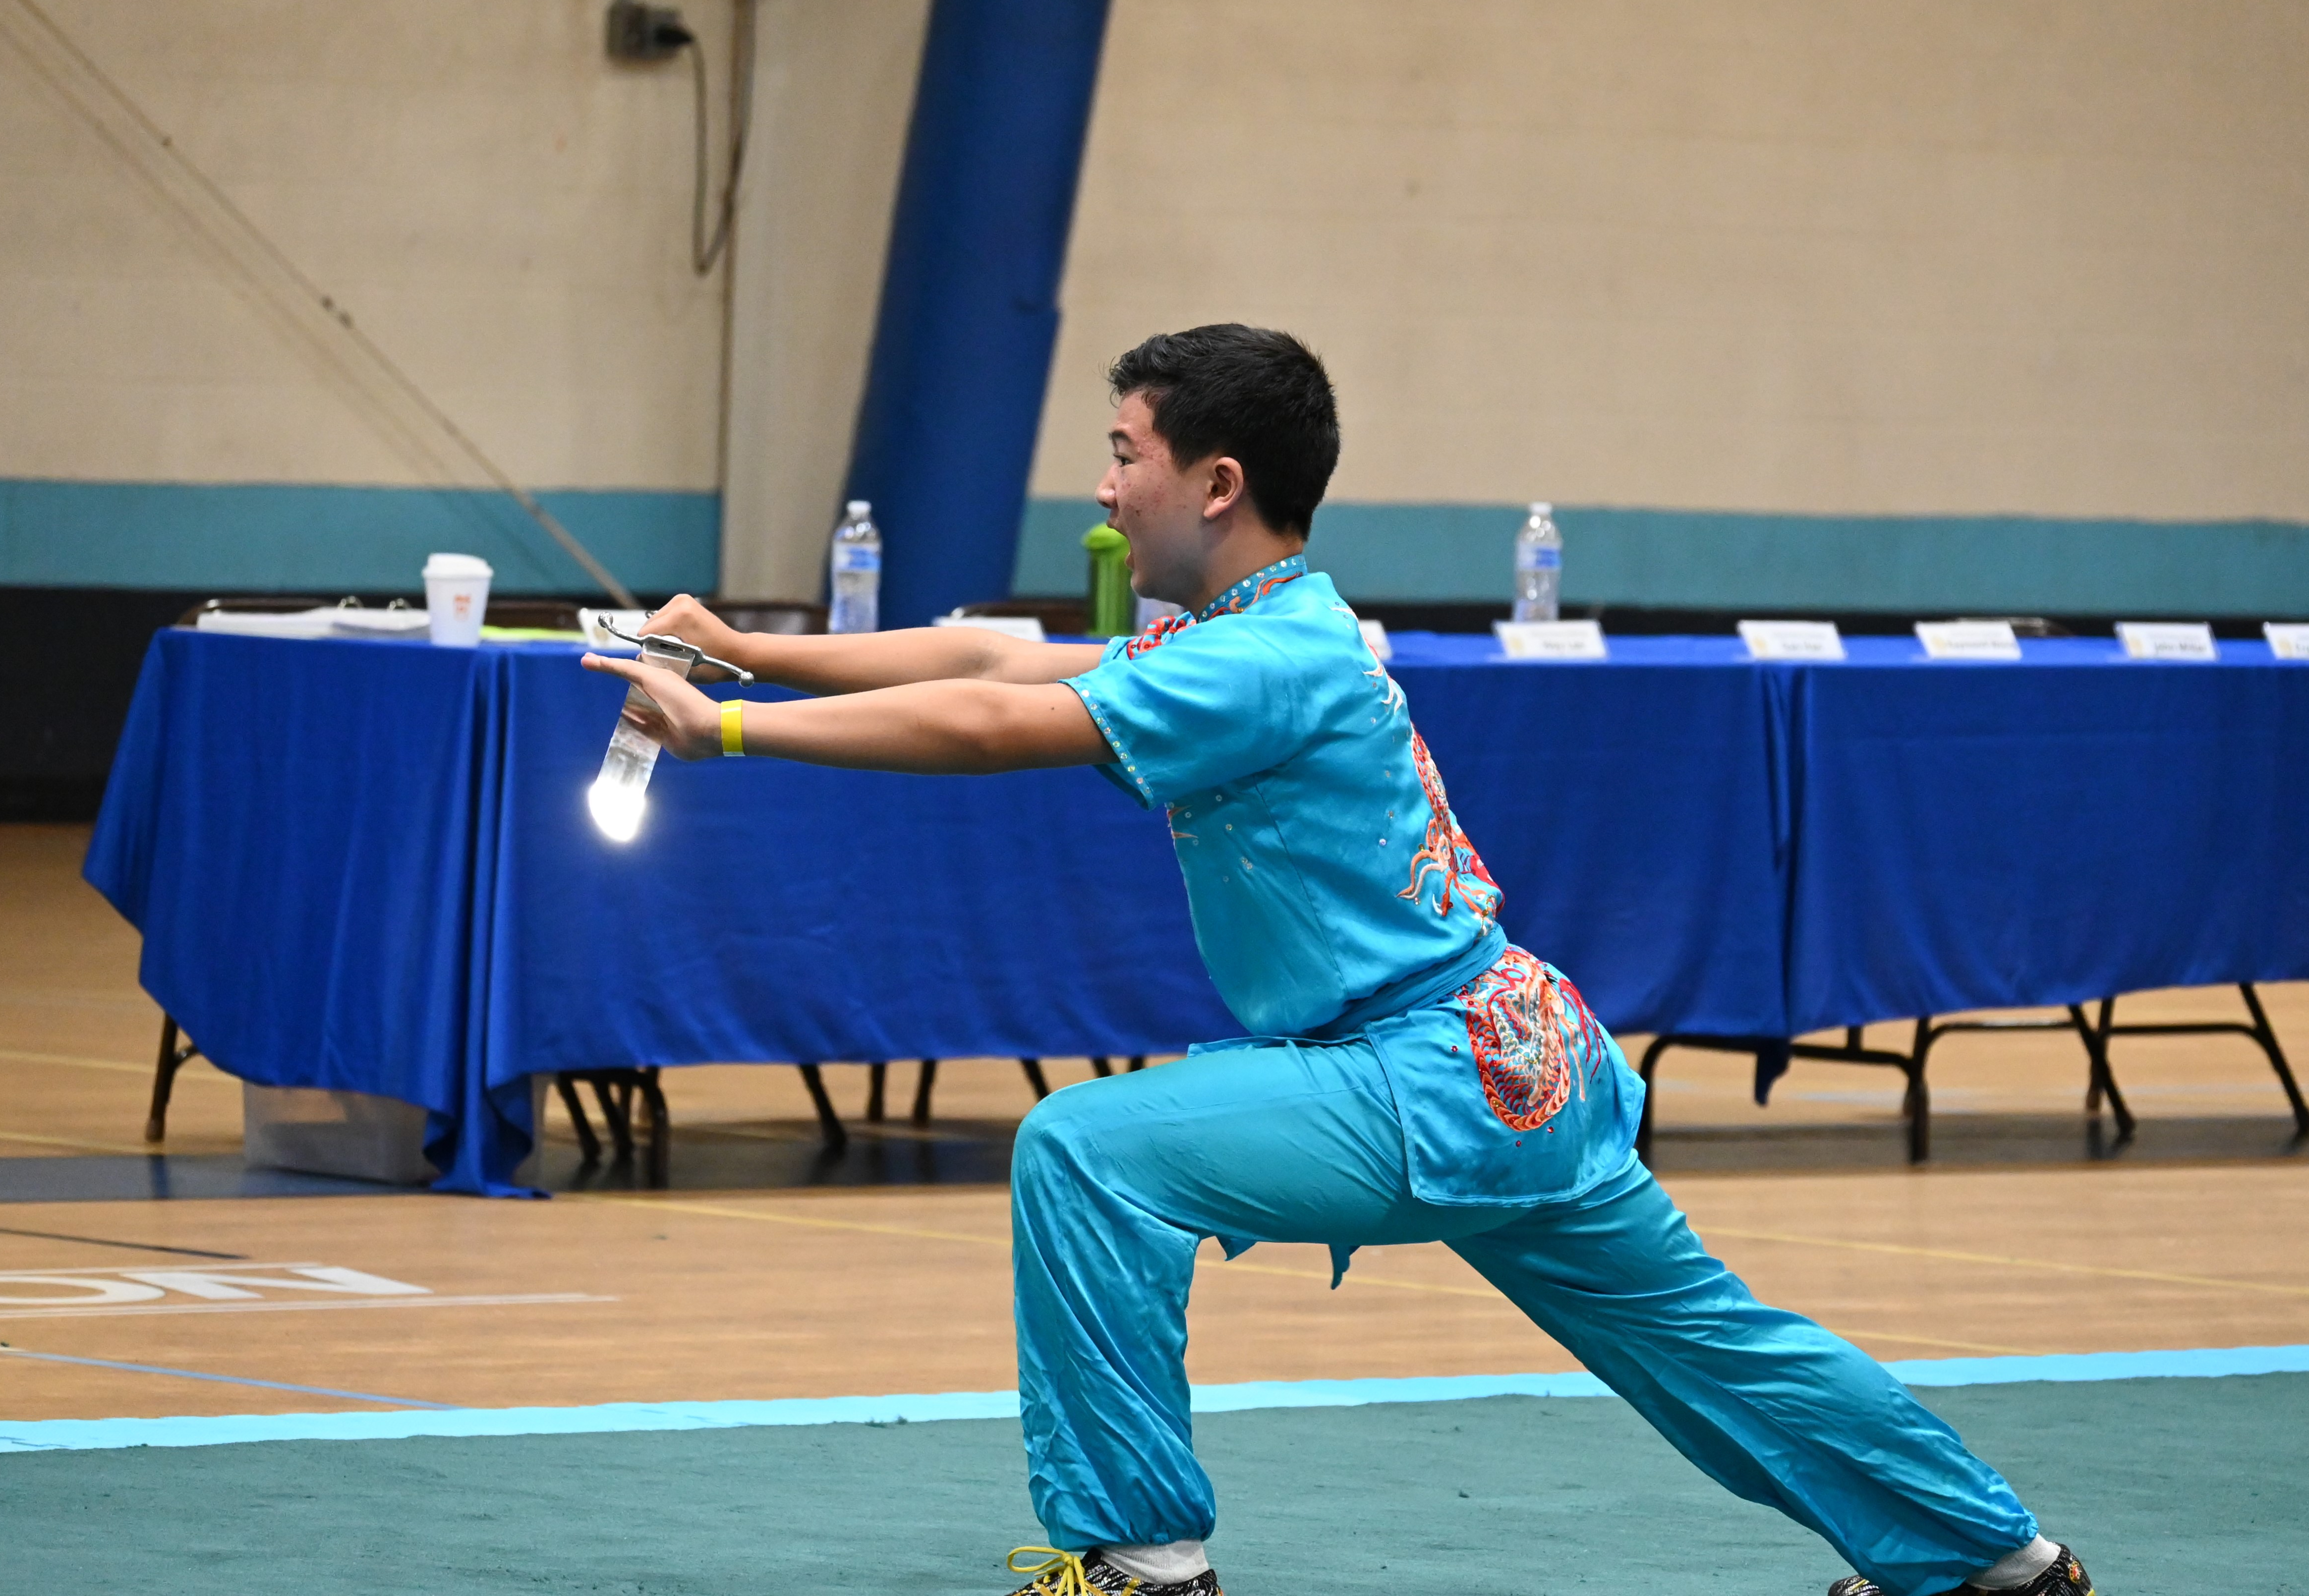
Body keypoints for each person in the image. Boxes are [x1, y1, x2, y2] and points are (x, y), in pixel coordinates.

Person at [583, 325, 2096, 1596]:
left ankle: (1140, 1564)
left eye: (1124, 453)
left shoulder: (1259, 660)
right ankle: (2000, 1563)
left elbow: (993, 724)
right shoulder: (1259, 629)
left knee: (1087, 1153)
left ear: (1217, 483)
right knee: (1711, 1348)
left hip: (1424, 1072)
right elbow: (988, 656)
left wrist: (729, 729)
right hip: (1522, 1064)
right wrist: (746, 647)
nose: (1104, 488)